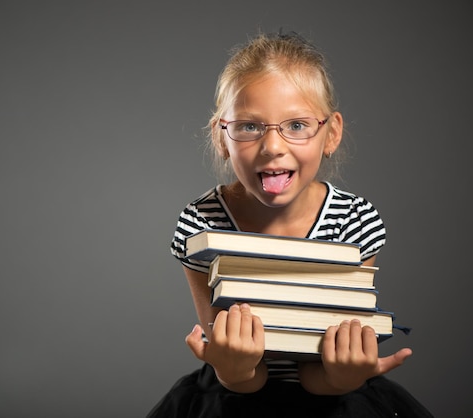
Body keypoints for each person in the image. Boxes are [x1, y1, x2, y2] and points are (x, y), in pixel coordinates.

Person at [147, 30, 434, 418]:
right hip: (234, 396)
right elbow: (242, 376)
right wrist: (233, 369)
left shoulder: (354, 221)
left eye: (296, 125)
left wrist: (344, 377)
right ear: (222, 137)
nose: (273, 146)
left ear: (330, 133)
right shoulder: (201, 223)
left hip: (332, 399)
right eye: (249, 126)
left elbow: (320, 375)